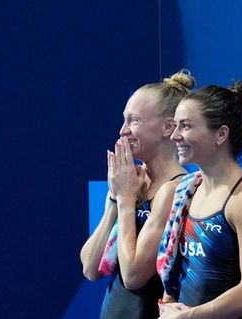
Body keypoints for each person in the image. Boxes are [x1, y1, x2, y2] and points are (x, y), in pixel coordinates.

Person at [157, 81, 242, 318]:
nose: (174, 136)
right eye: (175, 126)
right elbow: (173, 269)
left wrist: (188, 317)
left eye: (186, 126)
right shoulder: (187, 189)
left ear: (221, 134)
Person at [80, 69, 195, 318]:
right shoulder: (129, 183)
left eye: (134, 121)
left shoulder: (178, 189)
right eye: (124, 120)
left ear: (168, 127)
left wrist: (124, 200)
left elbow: (133, 277)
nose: (123, 130)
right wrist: (115, 198)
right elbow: (90, 268)